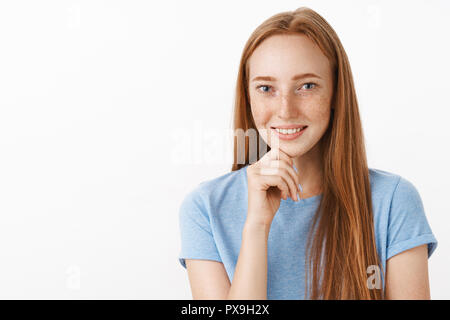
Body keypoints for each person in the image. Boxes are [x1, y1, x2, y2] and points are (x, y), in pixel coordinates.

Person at [177, 7, 438, 299]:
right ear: (247, 96)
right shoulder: (205, 209)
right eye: (266, 88)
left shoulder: (393, 202)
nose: (286, 109)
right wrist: (256, 227)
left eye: (307, 86)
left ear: (336, 93)